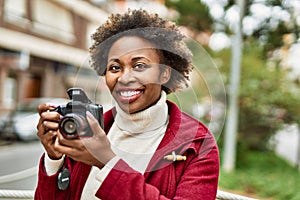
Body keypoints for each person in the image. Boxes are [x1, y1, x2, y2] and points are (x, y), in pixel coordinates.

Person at [35, 9, 219, 200]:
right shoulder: (89, 128)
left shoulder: (197, 144)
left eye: (139, 65)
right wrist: (54, 160)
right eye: (115, 67)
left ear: (164, 74)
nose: (124, 78)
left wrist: (107, 162)